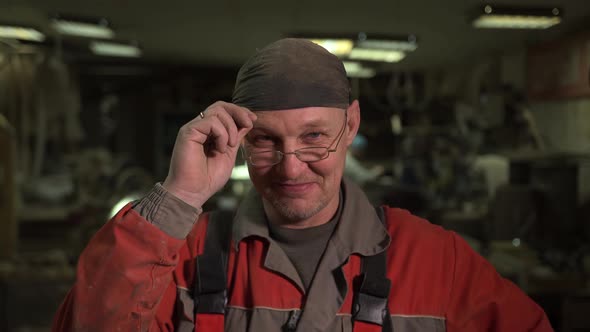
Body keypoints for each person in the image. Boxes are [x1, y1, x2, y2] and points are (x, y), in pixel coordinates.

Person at [52, 38, 552, 332]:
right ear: (240, 140)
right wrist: (178, 197)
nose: (291, 169)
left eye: (314, 137)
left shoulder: (436, 261)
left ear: (350, 126)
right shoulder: (185, 255)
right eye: (266, 140)